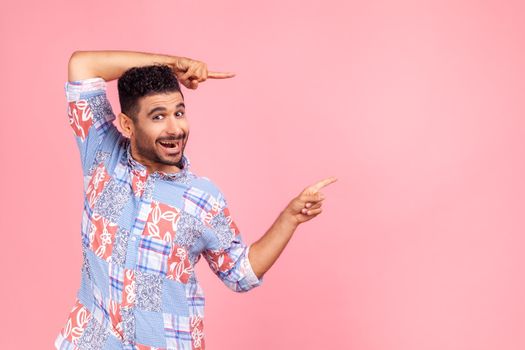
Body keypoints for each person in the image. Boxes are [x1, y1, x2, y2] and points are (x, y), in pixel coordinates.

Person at [55, 50, 337, 350]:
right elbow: (81, 64)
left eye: (179, 112)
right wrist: (174, 65)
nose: (175, 128)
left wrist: (290, 218)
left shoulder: (201, 199)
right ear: (127, 125)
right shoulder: (101, 153)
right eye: (158, 116)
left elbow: (240, 273)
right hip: (90, 342)